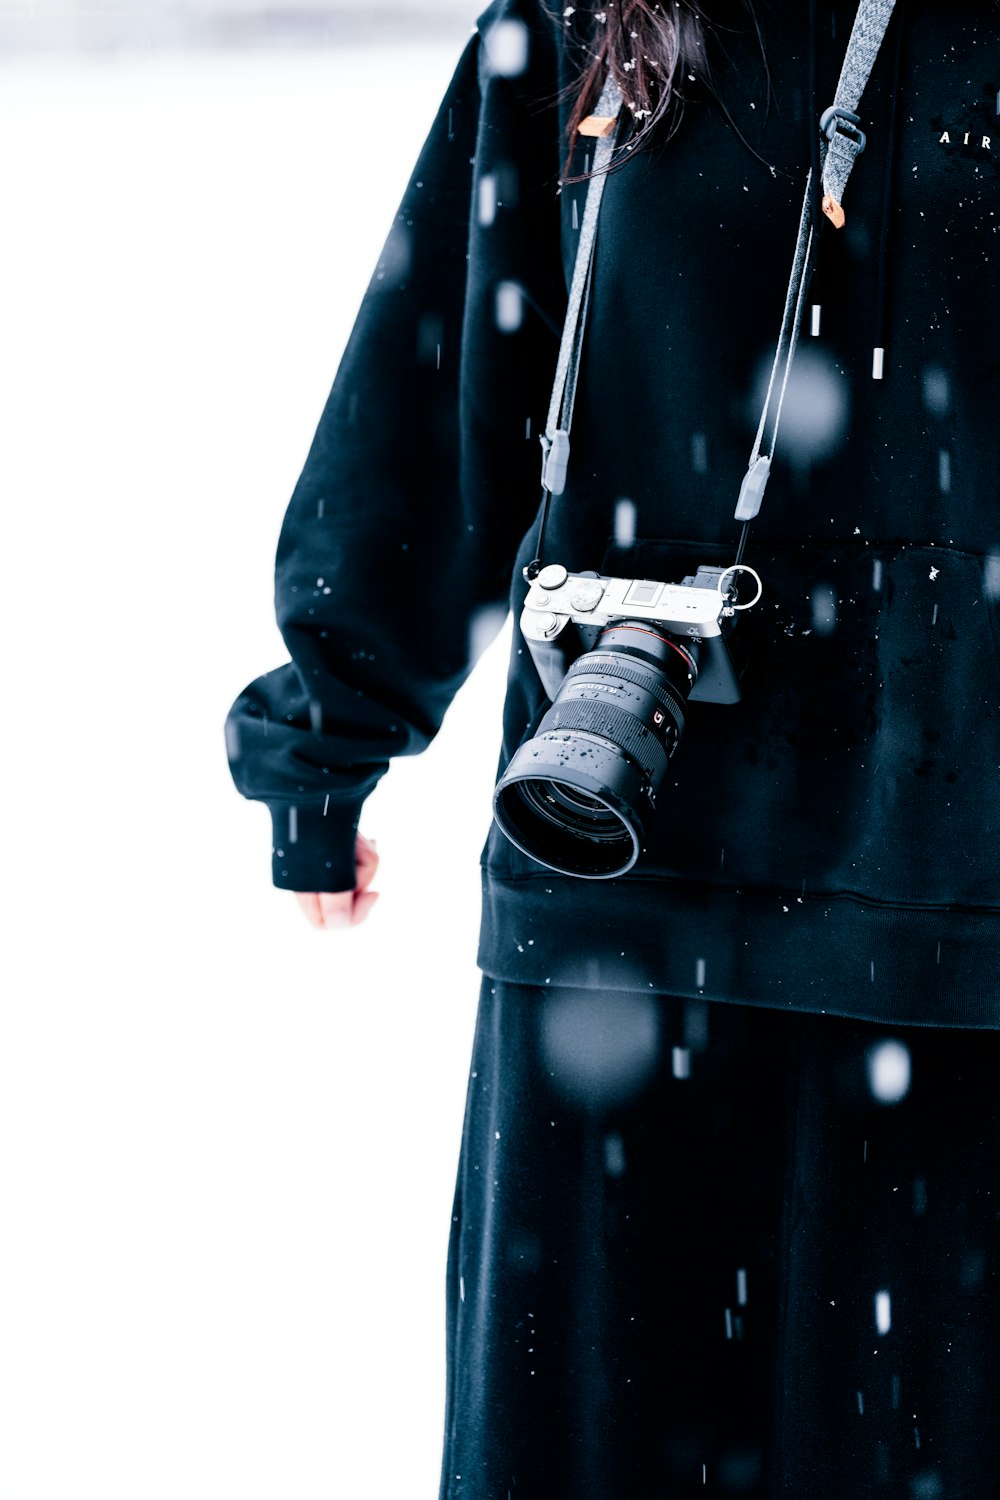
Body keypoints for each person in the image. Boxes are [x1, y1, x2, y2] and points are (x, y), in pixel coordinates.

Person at [225, 1, 1000, 1493]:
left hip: (962, 937)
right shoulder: (587, 18)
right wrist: (325, 732)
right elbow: (440, 373)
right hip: (620, 912)